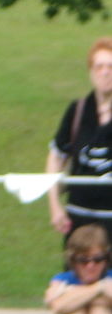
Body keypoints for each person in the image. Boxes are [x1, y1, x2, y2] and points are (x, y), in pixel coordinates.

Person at [46, 36, 112, 246]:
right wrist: (55, 206)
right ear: (91, 71)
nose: (105, 72)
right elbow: (56, 157)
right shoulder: (78, 111)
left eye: (110, 66)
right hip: (78, 223)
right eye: (99, 66)